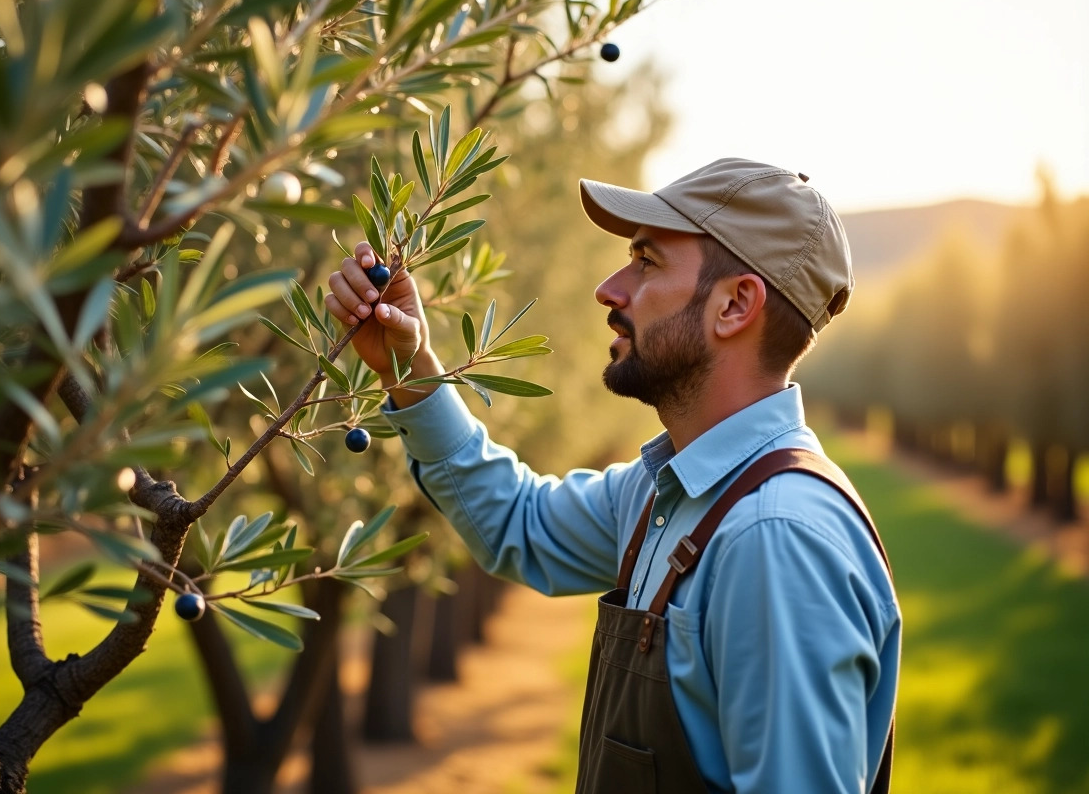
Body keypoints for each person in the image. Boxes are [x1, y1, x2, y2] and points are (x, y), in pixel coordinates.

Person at [326, 157, 901, 793]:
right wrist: (409, 366)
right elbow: (519, 523)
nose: (609, 287)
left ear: (735, 304)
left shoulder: (773, 539)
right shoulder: (666, 493)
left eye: (647, 262)